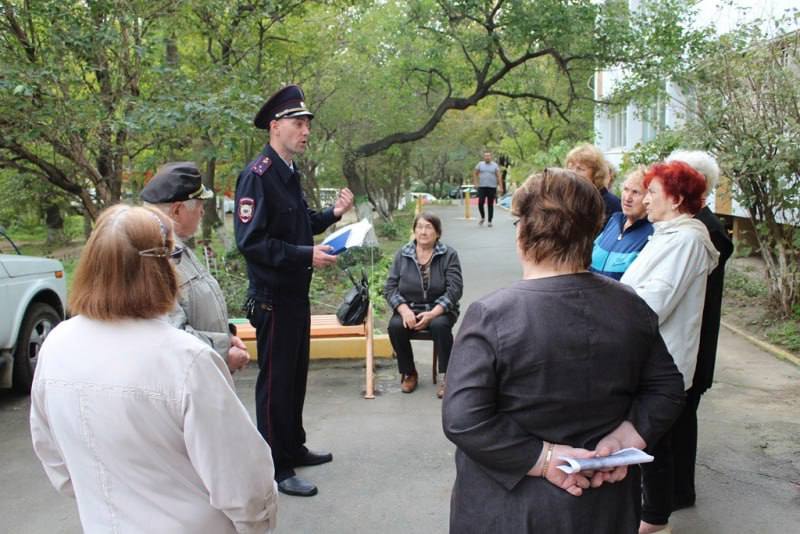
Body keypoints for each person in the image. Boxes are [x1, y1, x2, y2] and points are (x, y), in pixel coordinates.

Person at [442, 168, 685, 534]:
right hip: (605, 506)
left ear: (523, 232)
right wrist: (628, 435)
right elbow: (667, 387)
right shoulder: (629, 305)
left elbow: (464, 418)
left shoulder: (491, 315)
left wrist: (544, 458)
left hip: (509, 509)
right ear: (593, 233)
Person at [30, 205, 277, 533]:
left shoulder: (56, 345)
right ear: (161, 268)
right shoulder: (187, 359)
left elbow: (56, 461)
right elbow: (244, 484)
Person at [234, 84, 354, 497]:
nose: (306, 131)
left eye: (307, 124)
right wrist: (306, 254)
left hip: (294, 295)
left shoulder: (288, 172)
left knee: (295, 377)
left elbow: (299, 223)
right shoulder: (257, 176)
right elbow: (251, 242)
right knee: (275, 383)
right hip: (273, 297)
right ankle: (275, 465)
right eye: (298, 123)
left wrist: (333, 216)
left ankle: (293, 445)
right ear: (276, 127)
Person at [620, 161, 720, 534]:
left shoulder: (687, 241)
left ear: (676, 199)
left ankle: (655, 523)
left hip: (664, 362)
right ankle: (649, 517)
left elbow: (652, 303)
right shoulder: (666, 234)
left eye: (652, 192)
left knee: (652, 443)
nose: (644, 199)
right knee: (649, 443)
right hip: (649, 357)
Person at [664, 150, 734, 510]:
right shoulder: (694, 223)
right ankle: (676, 488)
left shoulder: (705, 230)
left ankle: (679, 491)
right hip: (689, 336)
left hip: (695, 338)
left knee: (682, 414)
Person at [141, 161, 250, 373]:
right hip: (186, 379)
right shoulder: (154, 258)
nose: (202, 212)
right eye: (200, 204)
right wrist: (223, 351)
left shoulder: (175, 247)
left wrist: (227, 337)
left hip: (201, 372)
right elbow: (172, 334)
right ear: (177, 210)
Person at [383, 212, 463, 398]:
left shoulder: (448, 254)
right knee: (395, 326)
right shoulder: (403, 254)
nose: (423, 232)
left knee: (440, 325)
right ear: (414, 231)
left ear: (437, 233)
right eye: (420, 227)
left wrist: (433, 313)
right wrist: (403, 310)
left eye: (429, 227)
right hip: (410, 307)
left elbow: (455, 289)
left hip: (441, 308)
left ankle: (447, 376)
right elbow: (390, 287)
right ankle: (409, 372)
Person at [590, 166, 654, 280]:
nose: (627, 197)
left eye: (635, 192)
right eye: (626, 189)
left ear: (649, 198)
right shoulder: (614, 221)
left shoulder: (652, 233)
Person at [565, 143, 621, 224]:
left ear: (596, 173)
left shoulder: (609, 204)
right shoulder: (569, 199)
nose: (573, 173)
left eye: (580, 169)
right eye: (570, 168)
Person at [472, 150, 504, 227]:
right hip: (482, 187)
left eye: (488, 156)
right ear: (484, 157)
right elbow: (475, 173)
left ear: (491, 157)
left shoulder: (495, 165)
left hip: (492, 187)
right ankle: (483, 217)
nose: (487, 157)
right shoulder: (480, 164)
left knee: (490, 204)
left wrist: (501, 187)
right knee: (480, 203)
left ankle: (489, 221)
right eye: (486, 156)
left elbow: (499, 176)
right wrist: (476, 183)